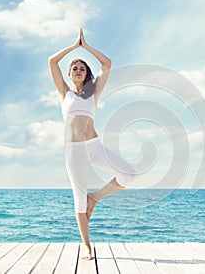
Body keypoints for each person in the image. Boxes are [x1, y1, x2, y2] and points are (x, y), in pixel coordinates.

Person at [48, 28, 135, 260]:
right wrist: (73, 46)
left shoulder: (92, 93)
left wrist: (85, 47)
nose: (78, 70)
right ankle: (87, 246)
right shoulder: (64, 93)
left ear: (87, 74)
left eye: (82, 68)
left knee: (130, 174)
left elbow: (107, 64)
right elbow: (52, 61)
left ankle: (95, 198)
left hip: (94, 146)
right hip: (73, 151)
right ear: (69, 74)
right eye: (74, 68)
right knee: (78, 198)